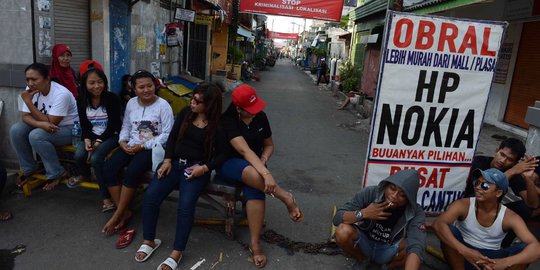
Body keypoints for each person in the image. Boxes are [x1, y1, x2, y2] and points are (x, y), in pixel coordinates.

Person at [134, 82, 228, 270]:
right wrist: (168, 160)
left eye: (197, 101)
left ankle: (177, 251)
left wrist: (205, 168)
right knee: (151, 195)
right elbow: (172, 138)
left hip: (196, 170)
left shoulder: (217, 125)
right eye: (192, 98)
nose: (192, 102)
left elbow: (223, 154)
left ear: (208, 104)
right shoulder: (186, 114)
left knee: (185, 206)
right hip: (174, 164)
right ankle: (149, 240)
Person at [218, 84, 302, 268]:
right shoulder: (228, 120)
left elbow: (269, 145)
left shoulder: (260, 117)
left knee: (255, 189)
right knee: (252, 172)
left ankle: (255, 244)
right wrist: (266, 173)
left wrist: (263, 160)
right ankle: (286, 197)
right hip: (229, 164)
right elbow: (244, 150)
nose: (255, 112)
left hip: (256, 167)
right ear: (239, 109)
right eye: (250, 110)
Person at [101, 70, 174, 236]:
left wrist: (143, 146)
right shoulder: (132, 103)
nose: (146, 90)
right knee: (109, 168)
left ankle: (118, 214)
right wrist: (122, 142)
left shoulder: (163, 106)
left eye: (150, 85)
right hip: (130, 144)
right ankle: (123, 211)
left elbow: (167, 134)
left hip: (151, 148)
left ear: (155, 85)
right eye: (141, 87)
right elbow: (126, 125)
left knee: (133, 171)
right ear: (134, 89)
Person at [433, 168, 540, 270]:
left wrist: (505, 262)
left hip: (491, 258)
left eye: (484, 185)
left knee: (524, 248)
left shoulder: (509, 216)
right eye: (477, 183)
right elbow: (438, 224)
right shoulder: (463, 204)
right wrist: (465, 251)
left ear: (498, 193)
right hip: (461, 254)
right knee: (449, 230)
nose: (478, 187)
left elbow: (536, 248)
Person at [333, 170, 426, 270]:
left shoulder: (416, 212)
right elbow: (337, 218)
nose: (394, 196)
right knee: (342, 231)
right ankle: (362, 259)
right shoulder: (370, 193)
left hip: (389, 250)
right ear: (386, 186)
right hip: (364, 244)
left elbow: (416, 245)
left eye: (402, 195)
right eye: (392, 188)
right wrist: (364, 213)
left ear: (409, 198)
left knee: (414, 249)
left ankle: (387, 267)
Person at [10, 63, 78, 191]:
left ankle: (56, 172)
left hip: (69, 129)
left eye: (34, 79)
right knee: (16, 130)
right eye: (28, 79)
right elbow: (25, 116)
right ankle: (29, 168)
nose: (30, 83)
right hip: (44, 125)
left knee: (36, 136)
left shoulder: (61, 94)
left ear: (47, 78)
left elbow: (52, 122)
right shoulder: (29, 91)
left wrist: (29, 103)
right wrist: (40, 124)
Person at [66, 62, 122, 213]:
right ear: (85, 84)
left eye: (100, 82)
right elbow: (84, 124)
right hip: (92, 136)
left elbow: (114, 125)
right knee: (79, 155)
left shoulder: (112, 98)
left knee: (97, 158)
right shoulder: (82, 100)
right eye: (92, 83)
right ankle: (86, 175)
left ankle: (106, 198)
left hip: (112, 136)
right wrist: (86, 140)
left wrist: (99, 141)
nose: (97, 86)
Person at [462, 138, 538, 245]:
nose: (502, 161)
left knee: (524, 208)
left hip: (490, 212)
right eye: (502, 154)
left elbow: (533, 204)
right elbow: (483, 190)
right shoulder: (480, 162)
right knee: (479, 195)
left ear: (515, 163)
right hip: (468, 207)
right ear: (497, 150)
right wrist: (511, 172)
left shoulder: (513, 172)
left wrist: (528, 179)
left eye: (509, 159)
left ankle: (503, 246)